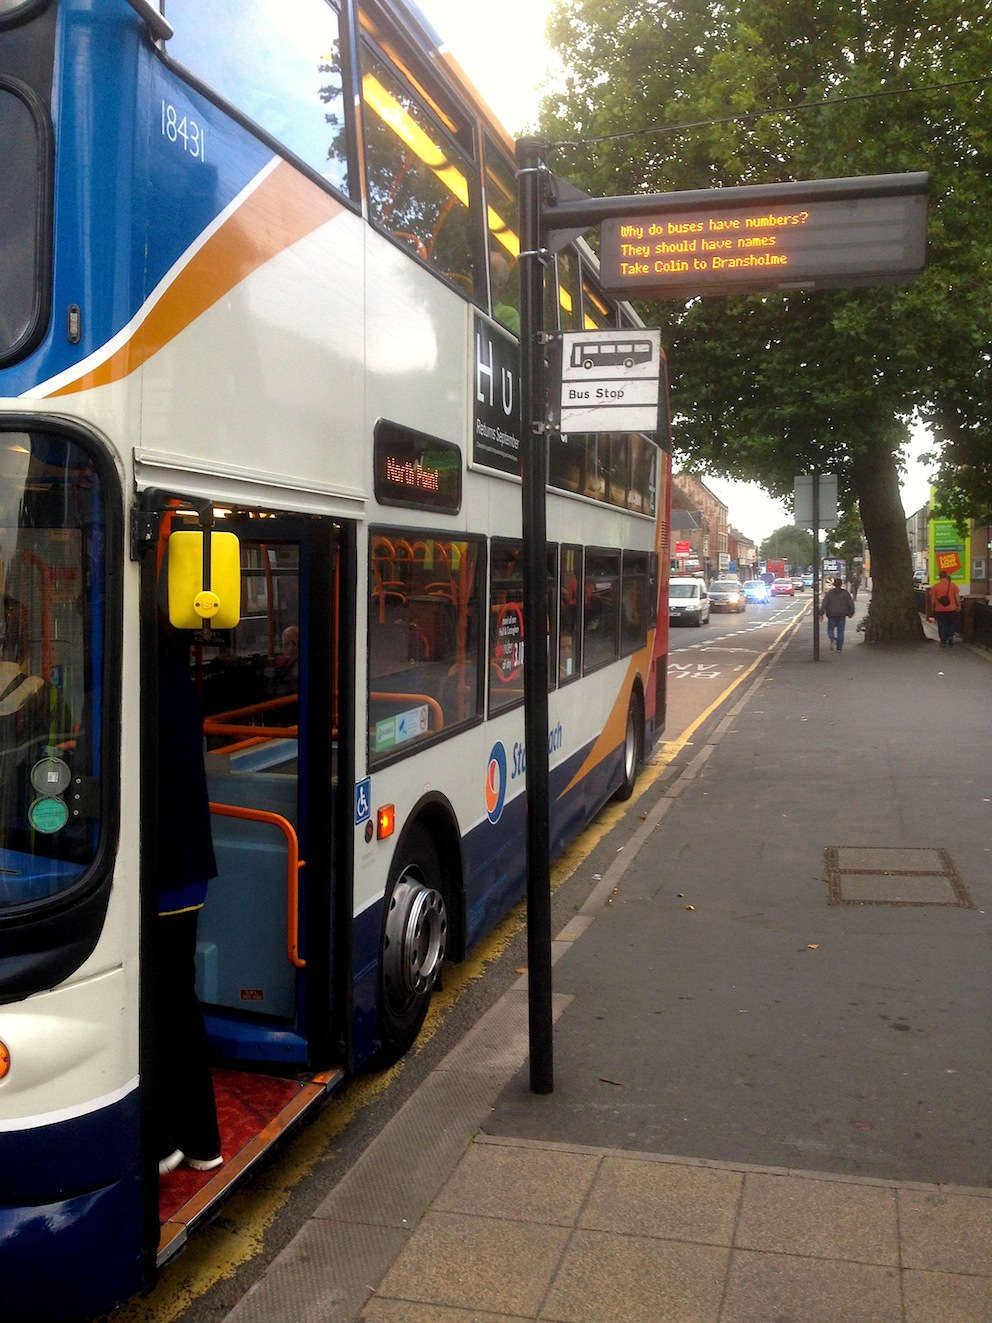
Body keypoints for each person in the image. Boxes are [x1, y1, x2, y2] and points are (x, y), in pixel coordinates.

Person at [154, 614, 223, 1176]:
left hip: (165, 872)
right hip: (181, 869)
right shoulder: (172, 676)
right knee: (176, 1000)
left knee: (164, 1004)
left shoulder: (148, 683)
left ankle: (174, 1138)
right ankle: (196, 1139)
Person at [820, 576, 855, 652]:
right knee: (841, 631)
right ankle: (839, 648)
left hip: (831, 614)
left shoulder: (830, 593)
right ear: (841, 584)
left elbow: (824, 603)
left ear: (834, 584)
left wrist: (821, 613)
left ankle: (832, 639)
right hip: (842, 615)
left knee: (830, 629)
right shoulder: (845, 593)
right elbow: (850, 603)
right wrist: (851, 612)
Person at [927, 569, 960, 648]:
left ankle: (943, 641)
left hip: (939, 610)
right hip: (952, 609)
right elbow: (957, 597)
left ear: (940, 577)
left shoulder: (935, 587)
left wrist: (932, 608)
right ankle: (950, 637)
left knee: (942, 625)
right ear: (947, 576)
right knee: (951, 623)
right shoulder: (953, 585)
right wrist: (959, 605)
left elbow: (932, 600)